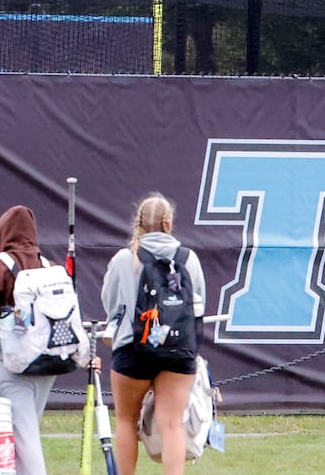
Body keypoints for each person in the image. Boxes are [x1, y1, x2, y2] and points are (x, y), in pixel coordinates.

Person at [99, 193, 206, 475]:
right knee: (172, 424)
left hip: (133, 349)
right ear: (168, 223)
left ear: (139, 223)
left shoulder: (124, 259)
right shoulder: (189, 258)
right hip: (179, 350)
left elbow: (109, 303)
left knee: (125, 421)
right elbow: (198, 303)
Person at [0, 205, 60, 475]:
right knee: (26, 434)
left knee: (23, 443)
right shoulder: (50, 267)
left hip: (10, 362)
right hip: (46, 362)